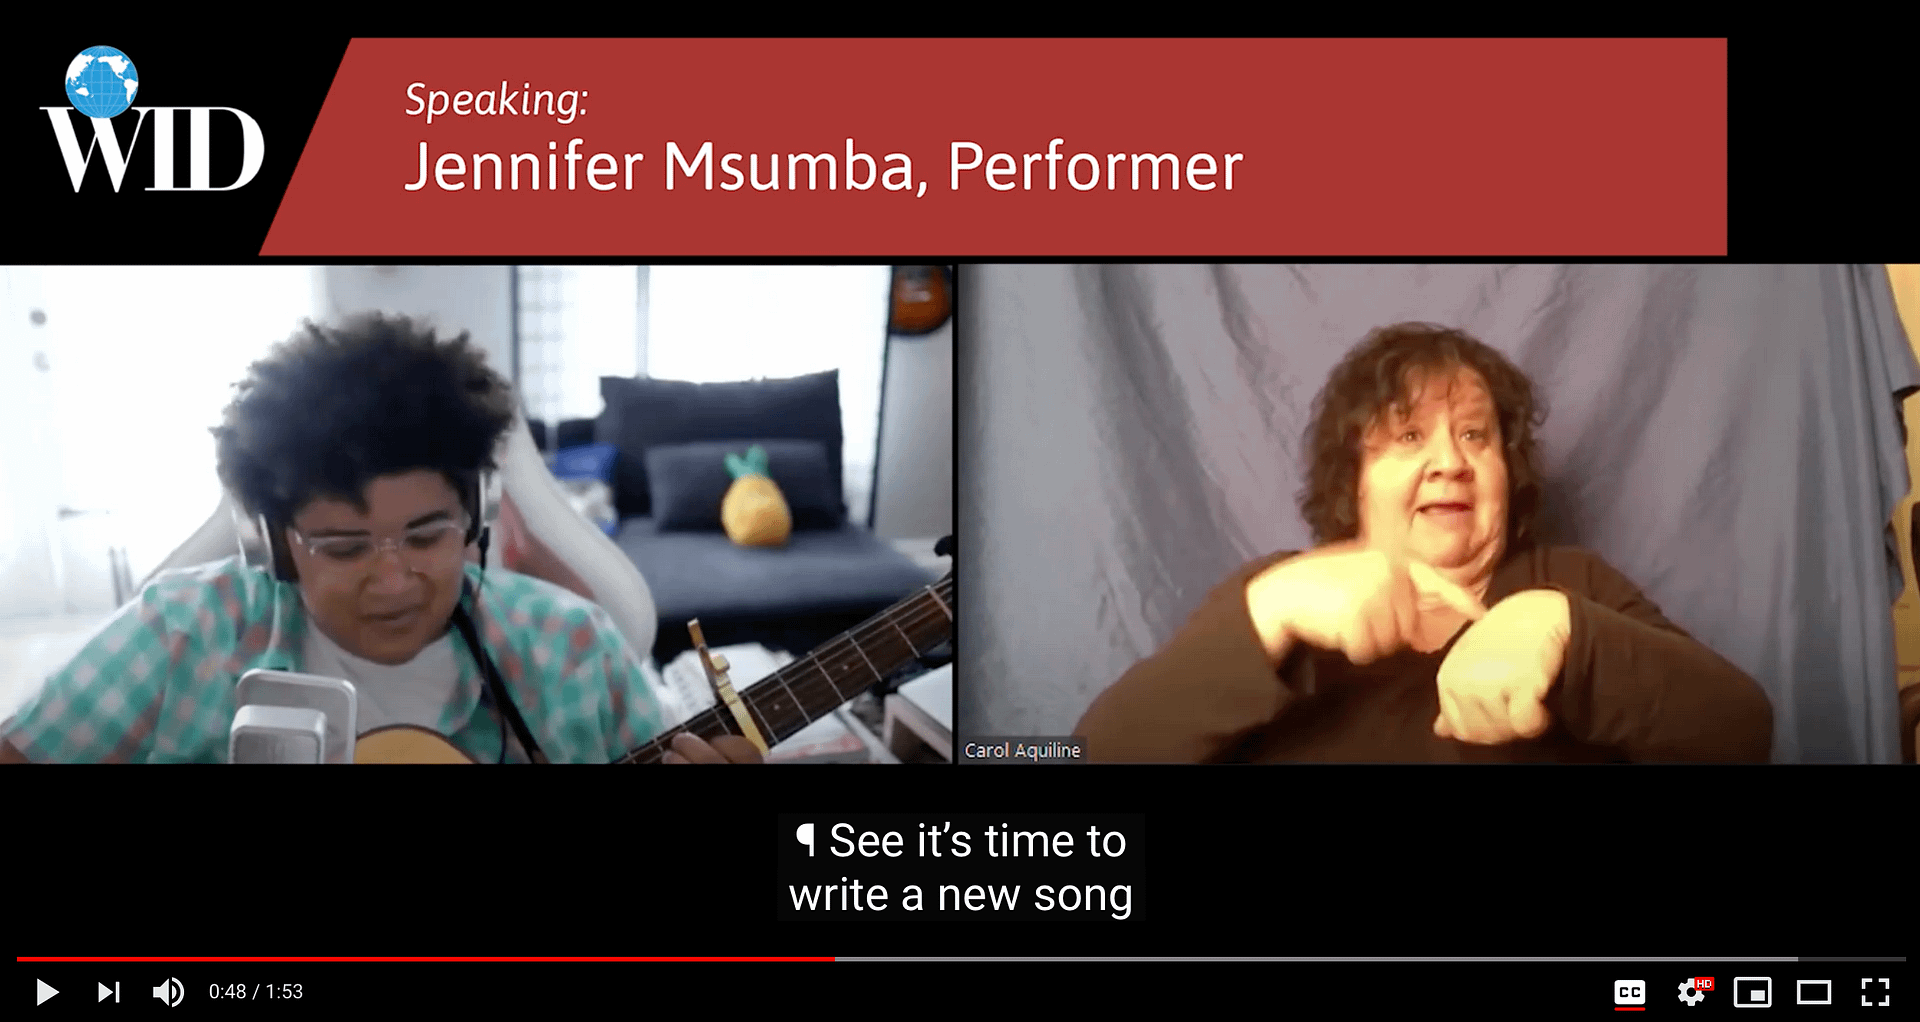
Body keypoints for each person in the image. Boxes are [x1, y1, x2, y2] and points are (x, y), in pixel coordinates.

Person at [0, 313, 757, 765]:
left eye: (427, 536)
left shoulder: (574, 649)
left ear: (475, 517)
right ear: (274, 541)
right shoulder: (180, 632)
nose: (393, 581)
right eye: (345, 545)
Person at [1073, 322, 1775, 763]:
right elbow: (1093, 755)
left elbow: (1741, 733)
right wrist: (1267, 613)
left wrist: (1565, 632)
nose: (1450, 461)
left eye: (1475, 435)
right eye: (1409, 437)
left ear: (1508, 472)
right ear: (1354, 480)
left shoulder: (1573, 581)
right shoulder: (1277, 596)